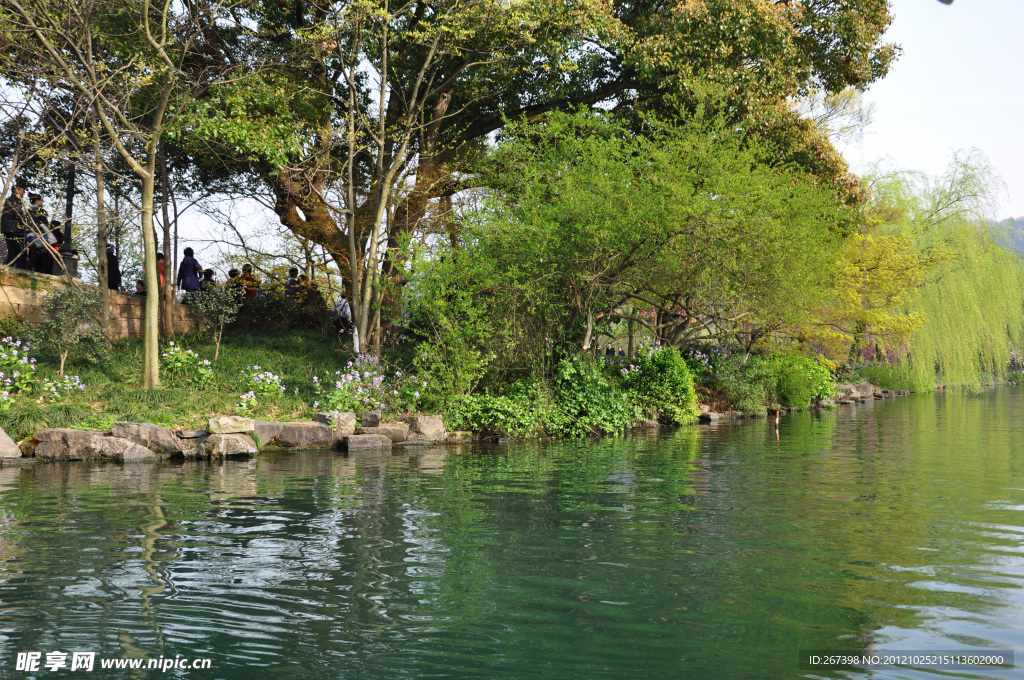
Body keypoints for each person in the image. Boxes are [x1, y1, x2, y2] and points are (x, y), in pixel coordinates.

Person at [1, 185, 28, 269]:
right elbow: (19, 215)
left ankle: (8, 268)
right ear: (17, 190)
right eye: (22, 191)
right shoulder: (15, 201)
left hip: (7, 229)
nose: (23, 193)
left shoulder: (7, 200)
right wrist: (25, 225)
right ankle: (21, 270)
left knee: (11, 251)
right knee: (20, 251)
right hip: (15, 229)